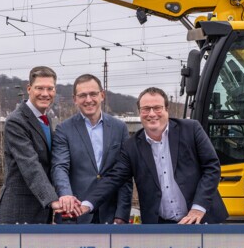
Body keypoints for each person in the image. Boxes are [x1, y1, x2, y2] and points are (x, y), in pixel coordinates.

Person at [80, 87, 228, 225]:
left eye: (157, 108)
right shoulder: (132, 146)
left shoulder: (191, 129)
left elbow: (212, 167)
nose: (151, 114)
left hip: (202, 219)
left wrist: (198, 208)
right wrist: (87, 204)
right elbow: (114, 178)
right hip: (160, 225)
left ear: (167, 109)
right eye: (146, 109)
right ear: (139, 112)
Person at [0, 66, 73, 224]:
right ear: (29, 89)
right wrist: (52, 200)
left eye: (50, 88)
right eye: (39, 88)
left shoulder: (46, 119)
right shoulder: (16, 121)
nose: (45, 93)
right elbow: (30, 164)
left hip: (40, 211)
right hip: (18, 211)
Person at [51, 74, 132, 224]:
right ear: (75, 99)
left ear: (102, 95)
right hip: (74, 212)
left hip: (110, 213)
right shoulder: (64, 129)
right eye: (82, 95)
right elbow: (60, 166)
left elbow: (125, 174)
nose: (88, 100)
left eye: (93, 94)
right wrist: (66, 196)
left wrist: (121, 215)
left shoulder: (119, 128)